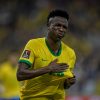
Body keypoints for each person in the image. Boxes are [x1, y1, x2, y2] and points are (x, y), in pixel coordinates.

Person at [17, 9, 76, 100]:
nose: (61, 29)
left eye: (64, 27)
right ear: (48, 26)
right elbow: (20, 74)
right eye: (58, 25)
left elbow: (64, 85)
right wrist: (48, 68)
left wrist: (68, 83)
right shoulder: (33, 44)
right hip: (34, 97)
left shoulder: (70, 53)